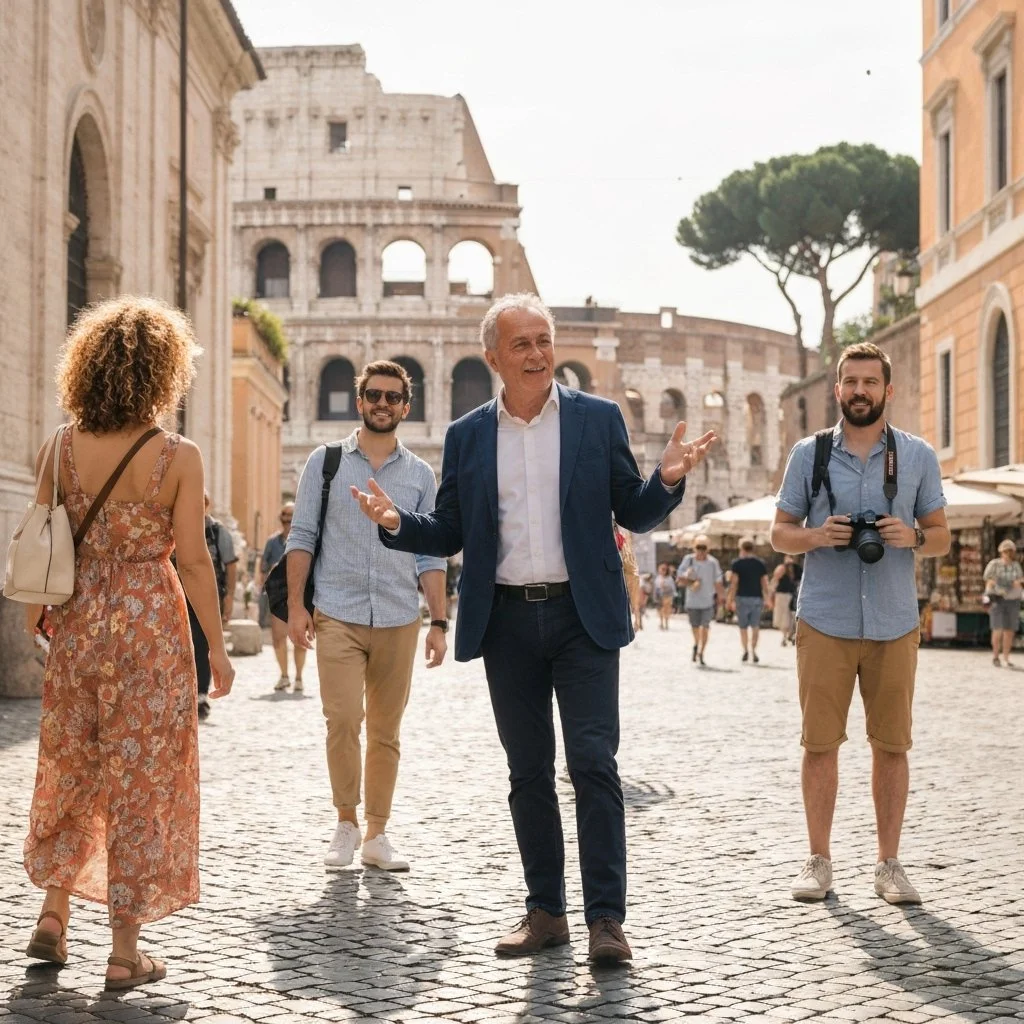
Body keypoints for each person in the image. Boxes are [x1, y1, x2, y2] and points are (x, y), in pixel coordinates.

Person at [351, 293, 714, 964]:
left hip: (583, 615)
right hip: (507, 620)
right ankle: (546, 912)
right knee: (527, 773)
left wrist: (665, 479)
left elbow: (632, 508)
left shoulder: (597, 420)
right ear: (494, 358)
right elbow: (453, 528)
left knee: (594, 766)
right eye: (522, 344)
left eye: (544, 340)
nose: (539, 354)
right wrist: (400, 525)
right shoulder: (467, 435)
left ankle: (607, 920)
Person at [21, 296, 233, 989]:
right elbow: (195, 560)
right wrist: (218, 646)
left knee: (73, 765)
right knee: (142, 779)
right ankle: (123, 952)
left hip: (79, 619)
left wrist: (34, 610)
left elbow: (39, 530)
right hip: (149, 624)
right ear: (165, 373)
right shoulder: (177, 455)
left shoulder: (59, 445)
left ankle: (53, 916)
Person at [771, 341, 949, 905]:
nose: (860, 391)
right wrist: (819, 536)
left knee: (891, 746)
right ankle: (818, 860)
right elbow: (779, 533)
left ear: (887, 391)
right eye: (850, 382)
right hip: (825, 618)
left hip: (895, 621)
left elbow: (941, 535)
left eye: (870, 382)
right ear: (837, 388)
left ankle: (888, 864)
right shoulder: (810, 454)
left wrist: (913, 535)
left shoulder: (917, 456)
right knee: (820, 744)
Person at [286, 360, 448, 874]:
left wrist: (439, 622)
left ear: (406, 406)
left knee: (385, 729)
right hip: (337, 610)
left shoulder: (421, 475)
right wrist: (295, 606)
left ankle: (378, 833)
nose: (383, 403)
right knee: (341, 720)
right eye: (373, 395)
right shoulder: (326, 462)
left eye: (393, 397)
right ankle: (346, 823)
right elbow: (302, 536)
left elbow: (431, 554)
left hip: (400, 615)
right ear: (360, 401)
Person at [185, 492, 238, 719]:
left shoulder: (218, 532)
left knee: (204, 645)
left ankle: (200, 694)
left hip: (207, 596)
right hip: (180, 594)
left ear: (207, 505)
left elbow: (231, 565)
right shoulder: (179, 527)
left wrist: (229, 598)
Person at [257, 502, 307, 692]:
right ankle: (284, 675)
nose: (287, 521)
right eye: (284, 517)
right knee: (278, 638)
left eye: (290, 517)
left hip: (301, 595)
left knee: (300, 639)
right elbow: (263, 568)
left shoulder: (305, 542)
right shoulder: (272, 542)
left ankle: (299, 677)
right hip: (278, 594)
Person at [677, 536, 724, 666]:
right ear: (694, 547)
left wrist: (722, 597)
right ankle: (696, 644)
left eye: (704, 548)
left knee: (705, 627)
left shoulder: (713, 563)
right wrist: (688, 578)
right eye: (699, 547)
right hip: (692, 601)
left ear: (708, 549)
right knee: (695, 627)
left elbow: (718, 581)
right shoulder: (688, 560)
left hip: (708, 601)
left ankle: (701, 652)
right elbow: (679, 579)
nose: (701, 550)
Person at [726, 537, 769, 663]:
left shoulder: (737, 563)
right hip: (757, 598)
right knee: (755, 626)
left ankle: (745, 650)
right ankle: (754, 650)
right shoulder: (760, 563)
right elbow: (764, 583)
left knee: (743, 627)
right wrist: (767, 598)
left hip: (742, 598)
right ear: (753, 548)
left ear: (741, 548)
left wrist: (730, 599)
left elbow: (734, 584)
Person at [983, 538, 1023, 668]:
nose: (1008, 553)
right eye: (1006, 551)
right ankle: (995, 656)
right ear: (1001, 551)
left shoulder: (1016, 566)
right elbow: (988, 579)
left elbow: (1019, 580)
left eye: (1010, 551)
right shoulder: (994, 564)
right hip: (997, 599)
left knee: (1009, 630)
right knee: (997, 629)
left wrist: (1008, 583)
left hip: (1013, 600)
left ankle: (1006, 657)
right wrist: (1003, 583)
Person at [771, 557, 798, 646]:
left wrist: (771, 592)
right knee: (788, 616)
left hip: (782, 595)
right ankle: (788, 635)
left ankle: (785, 636)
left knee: (783, 616)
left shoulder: (782, 568)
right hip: (790, 595)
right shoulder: (794, 569)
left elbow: (775, 579)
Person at [652, 563, 677, 630]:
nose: (662, 571)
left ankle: (666, 623)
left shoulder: (669, 578)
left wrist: (673, 593)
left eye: (664, 570)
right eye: (661, 569)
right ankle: (661, 623)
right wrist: (654, 596)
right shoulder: (658, 578)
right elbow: (655, 588)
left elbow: (673, 587)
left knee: (666, 610)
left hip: (668, 595)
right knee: (661, 610)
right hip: (660, 595)